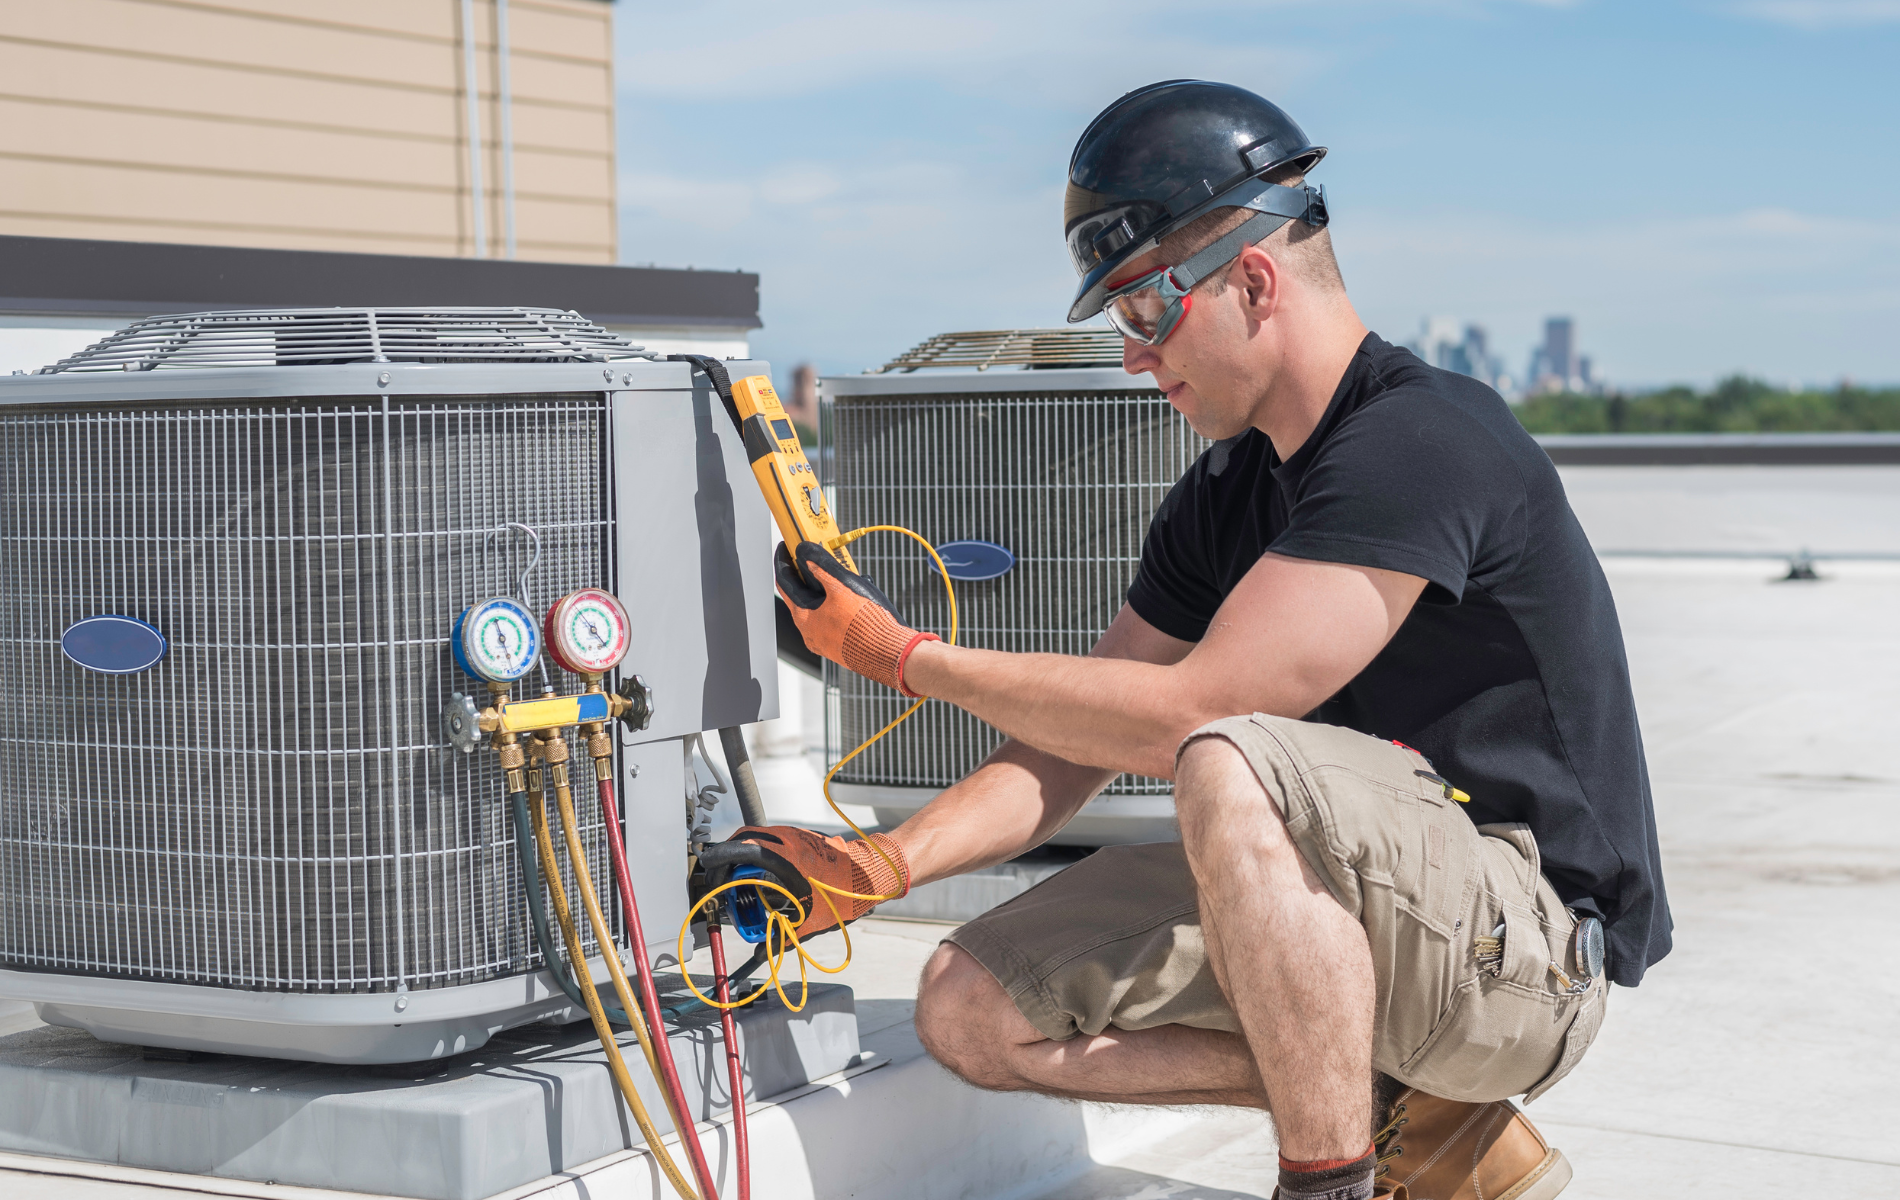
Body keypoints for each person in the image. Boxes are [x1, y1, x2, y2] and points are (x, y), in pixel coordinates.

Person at [720, 80, 1670, 1200]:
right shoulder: (1224, 492)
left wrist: (901, 658)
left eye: (1138, 313)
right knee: (969, 1009)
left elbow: (1189, 715)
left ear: (1252, 282)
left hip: (1528, 954)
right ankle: (1414, 1124)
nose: (1132, 358)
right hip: (1375, 913)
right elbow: (1080, 735)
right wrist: (883, 863)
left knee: (1225, 757)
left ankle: (1326, 1185)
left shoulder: (1423, 441)